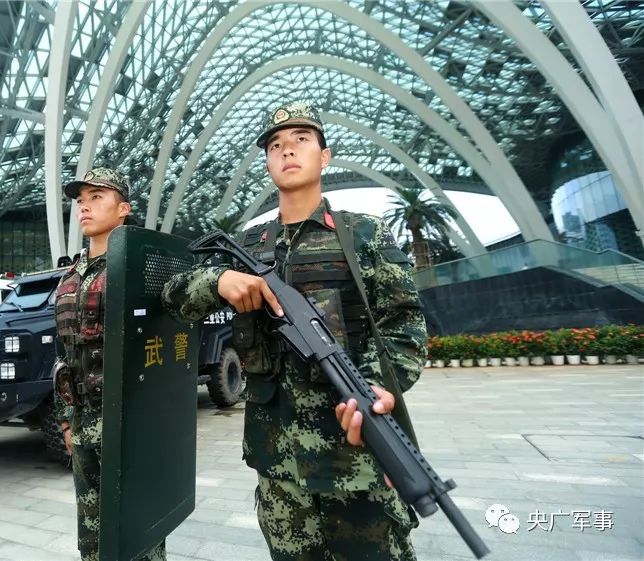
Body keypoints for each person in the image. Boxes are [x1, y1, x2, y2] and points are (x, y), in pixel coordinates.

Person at [162, 101, 427, 560]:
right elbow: (173, 295)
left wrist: (382, 385)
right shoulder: (247, 244)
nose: (288, 151)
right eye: (276, 146)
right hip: (279, 466)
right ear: (267, 164)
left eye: (302, 140)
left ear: (324, 157)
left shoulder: (364, 235)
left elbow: (405, 324)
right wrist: (217, 280)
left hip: (357, 454)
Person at [52, 167, 166, 561]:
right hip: (84, 424)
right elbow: (63, 356)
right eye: (81, 199)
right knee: (92, 532)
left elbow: (159, 347)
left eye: (97, 196)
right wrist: (67, 419)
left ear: (123, 209)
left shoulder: (140, 268)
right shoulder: (70, 278)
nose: (84, 205)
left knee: (139, 533)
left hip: (128, 424)